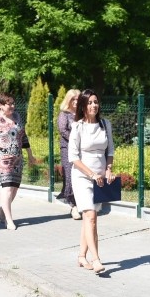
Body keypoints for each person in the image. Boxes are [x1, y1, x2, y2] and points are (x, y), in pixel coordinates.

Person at [69, 89, 115, 275]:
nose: (94, 105)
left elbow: (110, 150)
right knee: (91, 217)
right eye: (89, 102)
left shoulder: (105, 124)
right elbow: (73, 157)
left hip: (100, 178)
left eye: (96, 102)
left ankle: (81, 256)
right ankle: (96, 259)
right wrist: (91, 174)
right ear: (83, 106)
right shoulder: (77, 127)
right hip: (82, 176)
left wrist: (108, 169)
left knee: (90, 218)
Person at [0, 93, 36, 230]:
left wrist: (30, 155)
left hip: (18, 159)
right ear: (1, 105)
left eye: (13, 103)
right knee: (7, 188)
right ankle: (9, 220)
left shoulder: (17, 117)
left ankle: (2, 210)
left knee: (14, 189)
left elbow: (23, 137)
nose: (13, 106)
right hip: (2, 159)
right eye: (9, 104)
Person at [57, 89, 81, 220]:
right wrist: (76, 139)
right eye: (73, 99)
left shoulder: (82, 114)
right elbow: (63, 130)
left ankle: (80, 202)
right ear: (69, 100)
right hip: (68, 149)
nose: (76, 101)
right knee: (70, 176)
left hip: (82, 149)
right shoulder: (64, 114)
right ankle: (73, 205)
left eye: (78, 99)